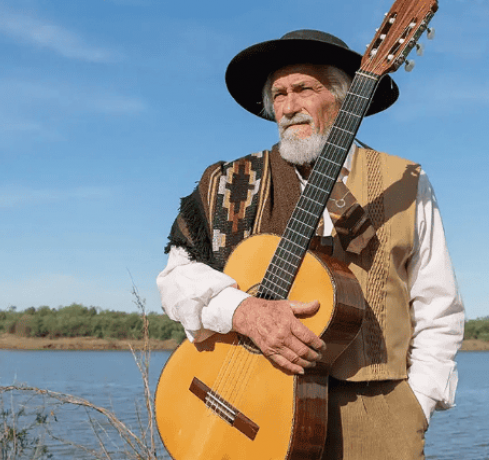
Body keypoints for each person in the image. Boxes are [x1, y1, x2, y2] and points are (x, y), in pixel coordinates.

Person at [156, 29, 464, 460]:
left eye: (304, 89)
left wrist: (419, 402)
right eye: (278, 94)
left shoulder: (404, 181)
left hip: (377, 413)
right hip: (255, 406)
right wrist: (243, 311)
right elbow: (176, 279)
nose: (288, 106)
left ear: (342, 97)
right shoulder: (229, 183)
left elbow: (437, 303)